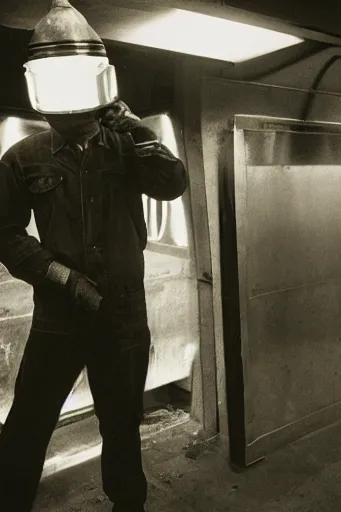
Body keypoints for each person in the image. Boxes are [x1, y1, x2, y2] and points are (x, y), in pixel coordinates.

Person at [0, 5, 188, 510]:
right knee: (27, 425)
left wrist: (137, 129)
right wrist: (62, 277)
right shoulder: (24, 157)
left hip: (122, 316)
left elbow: (173, 184)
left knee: (122, 430)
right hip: (59, 316)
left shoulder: (126, 147)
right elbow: (4, 233)